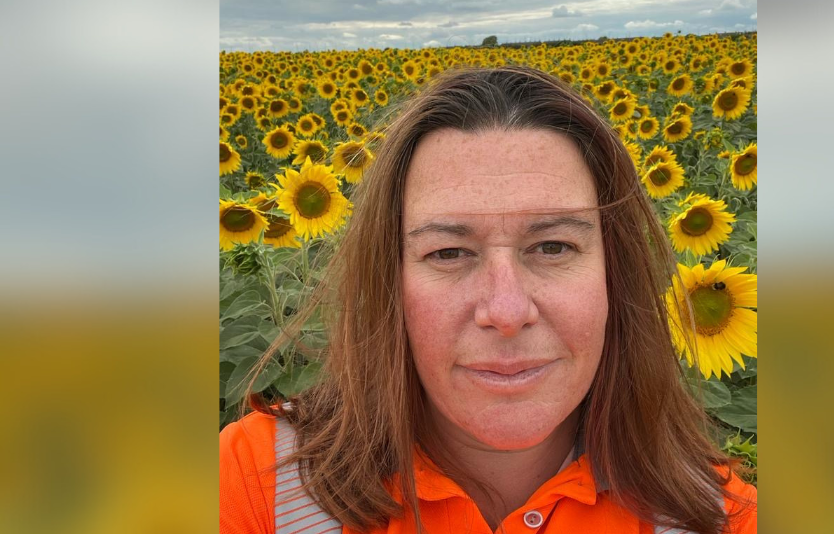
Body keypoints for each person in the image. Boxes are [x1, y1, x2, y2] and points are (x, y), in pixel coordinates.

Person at [220, 66, 757, 534]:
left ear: (616, 276)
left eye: (553, 246)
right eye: (449, 252)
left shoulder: (718, 517)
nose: (505, 311)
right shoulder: (257, 487)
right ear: (390, 284)